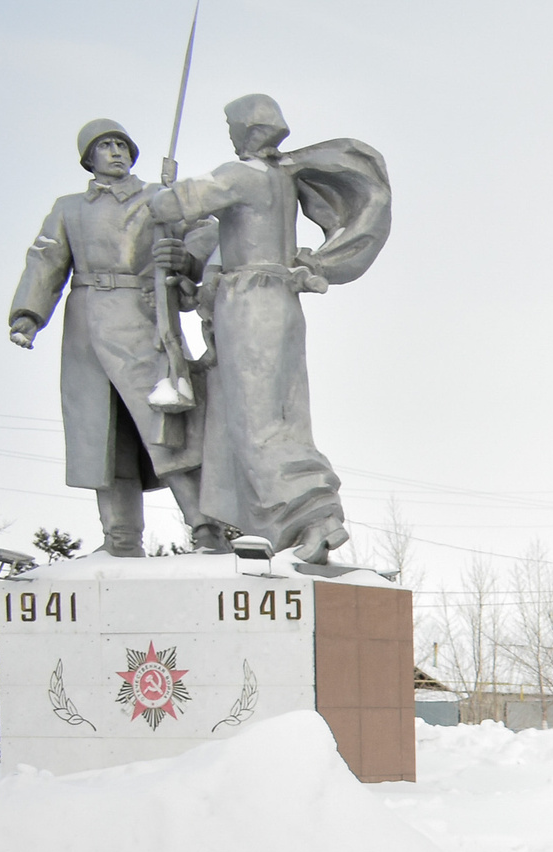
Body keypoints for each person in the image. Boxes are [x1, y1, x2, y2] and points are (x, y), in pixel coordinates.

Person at [145, 95, 390, 565]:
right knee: (283, 419)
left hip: (250, 300)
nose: (230, 135)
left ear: (246, 129)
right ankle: (289, 527)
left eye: (232, 126)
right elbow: (214, 238)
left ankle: (312, 517)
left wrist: (165, 187)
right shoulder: (282, 178)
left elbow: (176, 204)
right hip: (278, 298)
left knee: (256, 422)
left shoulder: (244, 174)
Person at [9, 120, 225, 557]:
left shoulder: (159, 198)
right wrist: (29, 314)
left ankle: (206, 528)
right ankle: (120, 538)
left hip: (142, 316)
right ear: (88, 158)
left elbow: (207, 230)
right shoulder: (69, 207)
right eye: (105, 146)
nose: (115, 152)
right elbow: (47, 258)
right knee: (101, 436)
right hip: (86, 322)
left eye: (122, 145)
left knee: (166, 425)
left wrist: (186, 256)